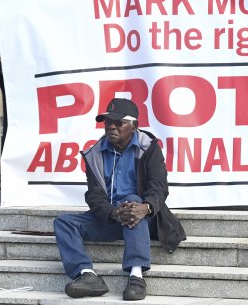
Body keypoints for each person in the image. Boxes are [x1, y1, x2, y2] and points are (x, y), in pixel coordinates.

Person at [53, 97, 186, 300]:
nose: (111, 127)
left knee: (133, 201)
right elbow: (94, 195)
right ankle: (87, 275)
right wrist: (112, 212)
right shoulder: (95, 153)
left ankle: (136, 275)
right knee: (63, 223)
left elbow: (159, 187)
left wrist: (146, 207)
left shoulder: (148, 147)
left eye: (118, 122)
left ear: (134, 126)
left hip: (144, 219)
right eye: (108, 122)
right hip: (112, 217)